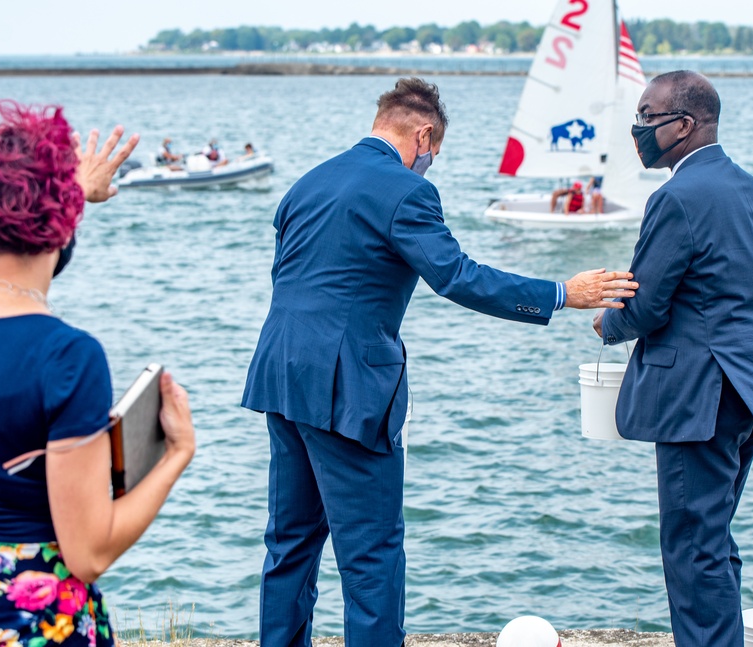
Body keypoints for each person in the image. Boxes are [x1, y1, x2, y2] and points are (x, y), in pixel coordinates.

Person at [241, 77, 639, 647]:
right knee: (373, 555)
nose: (430, 165)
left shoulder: (307, 183)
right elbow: (457, 276)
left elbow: (290, 275)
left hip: (280, 372)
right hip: (347, 386)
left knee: (289, 543)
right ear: (423, 135)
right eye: (434, 154)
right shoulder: (407, 191)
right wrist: (560, 293)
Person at [0, 101, 196, 647]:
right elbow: (89, 553)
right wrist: (176, 456)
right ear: (60, 219)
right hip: (26, 618)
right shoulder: (66, 357)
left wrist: (64, 200)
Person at [593, 71, 753, 647]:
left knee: (690, 547)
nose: (638, 130)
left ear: (682, 125)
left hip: (700, 399)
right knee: (712, 536)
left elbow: (647, 305)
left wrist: (608, 321)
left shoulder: (676, 197)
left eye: (646, 117)